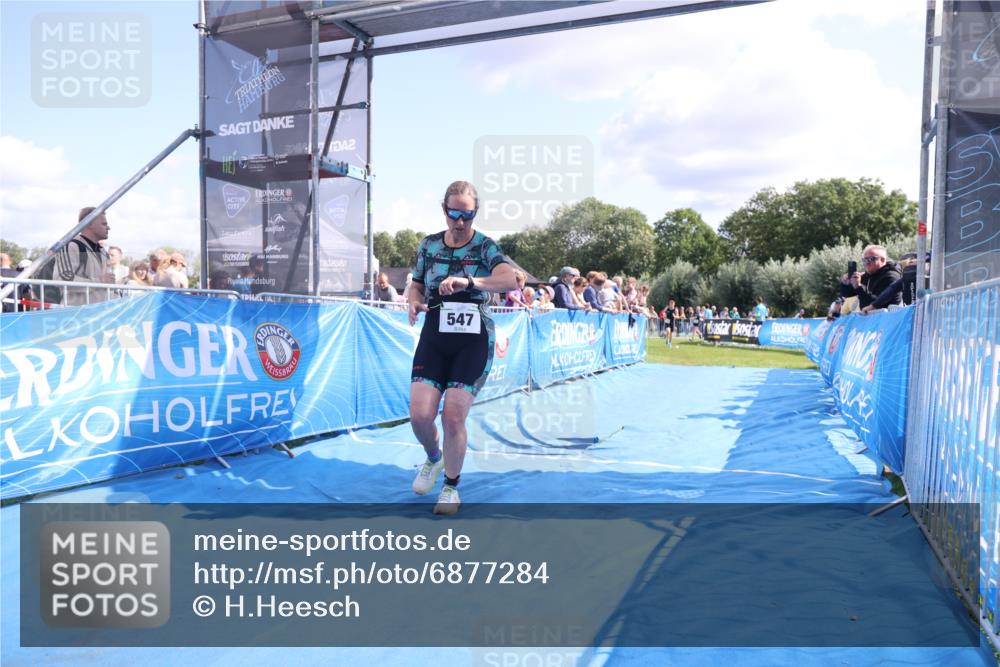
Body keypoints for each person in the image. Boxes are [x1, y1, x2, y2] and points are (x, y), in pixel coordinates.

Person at [405, 181, 517, 515]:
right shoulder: (429, 246)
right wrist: (411, 302)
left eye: (467, 215)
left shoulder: (485, 247)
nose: (460, 221)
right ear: (444, 211)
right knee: (421, 416)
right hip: (435, 335)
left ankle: (451, 487)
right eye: (454, 214)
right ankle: (434, 458)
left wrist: (469, 281)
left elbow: (509, 279)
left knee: (453, 416)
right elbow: (415, 284)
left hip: (473, 339)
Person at [52, 207, 115, 305]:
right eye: (104, 224)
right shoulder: (72, 246)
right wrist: (99, 281)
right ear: (89, 223)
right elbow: (62, 279)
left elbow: (109, 285)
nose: (108, 227)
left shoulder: (103, 252)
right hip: (76, 315)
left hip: (100, 314)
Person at [840, 245, 902, 309]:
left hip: (887, 317)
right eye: (864, 259)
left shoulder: (891, 276)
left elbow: (878, 302)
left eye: (871, 259)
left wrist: (859, 287)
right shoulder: (867, 276)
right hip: (871, 316)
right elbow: (847, 295)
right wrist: (845, 284)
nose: (867, 262)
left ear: (882, 260)